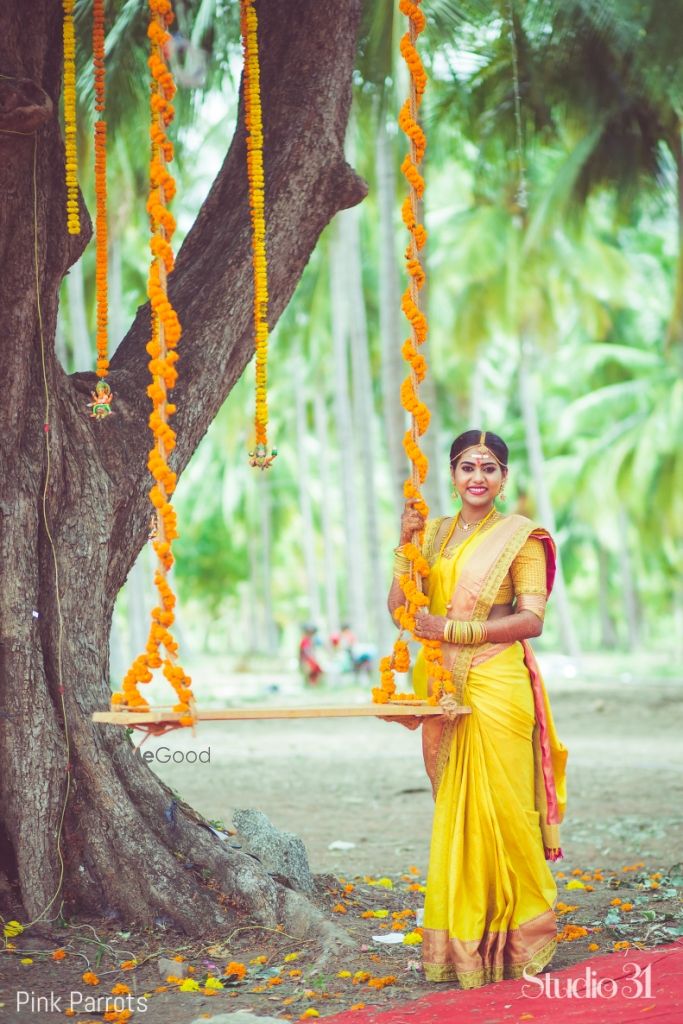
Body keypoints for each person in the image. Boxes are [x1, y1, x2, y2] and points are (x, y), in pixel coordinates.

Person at [387, 429, 567, 988]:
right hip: (443, 685)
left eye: (489, 468)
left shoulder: (522, 538)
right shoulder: (434, 533)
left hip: (496, 683)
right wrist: (404, 544)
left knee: (507, 811)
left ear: (504, 478)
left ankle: (521, 939)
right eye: (467, 467)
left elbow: (532, 621)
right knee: (456, 812)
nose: (478, 478)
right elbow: (401, 610)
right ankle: (464, 942)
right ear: (452, 472)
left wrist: (454, 629)